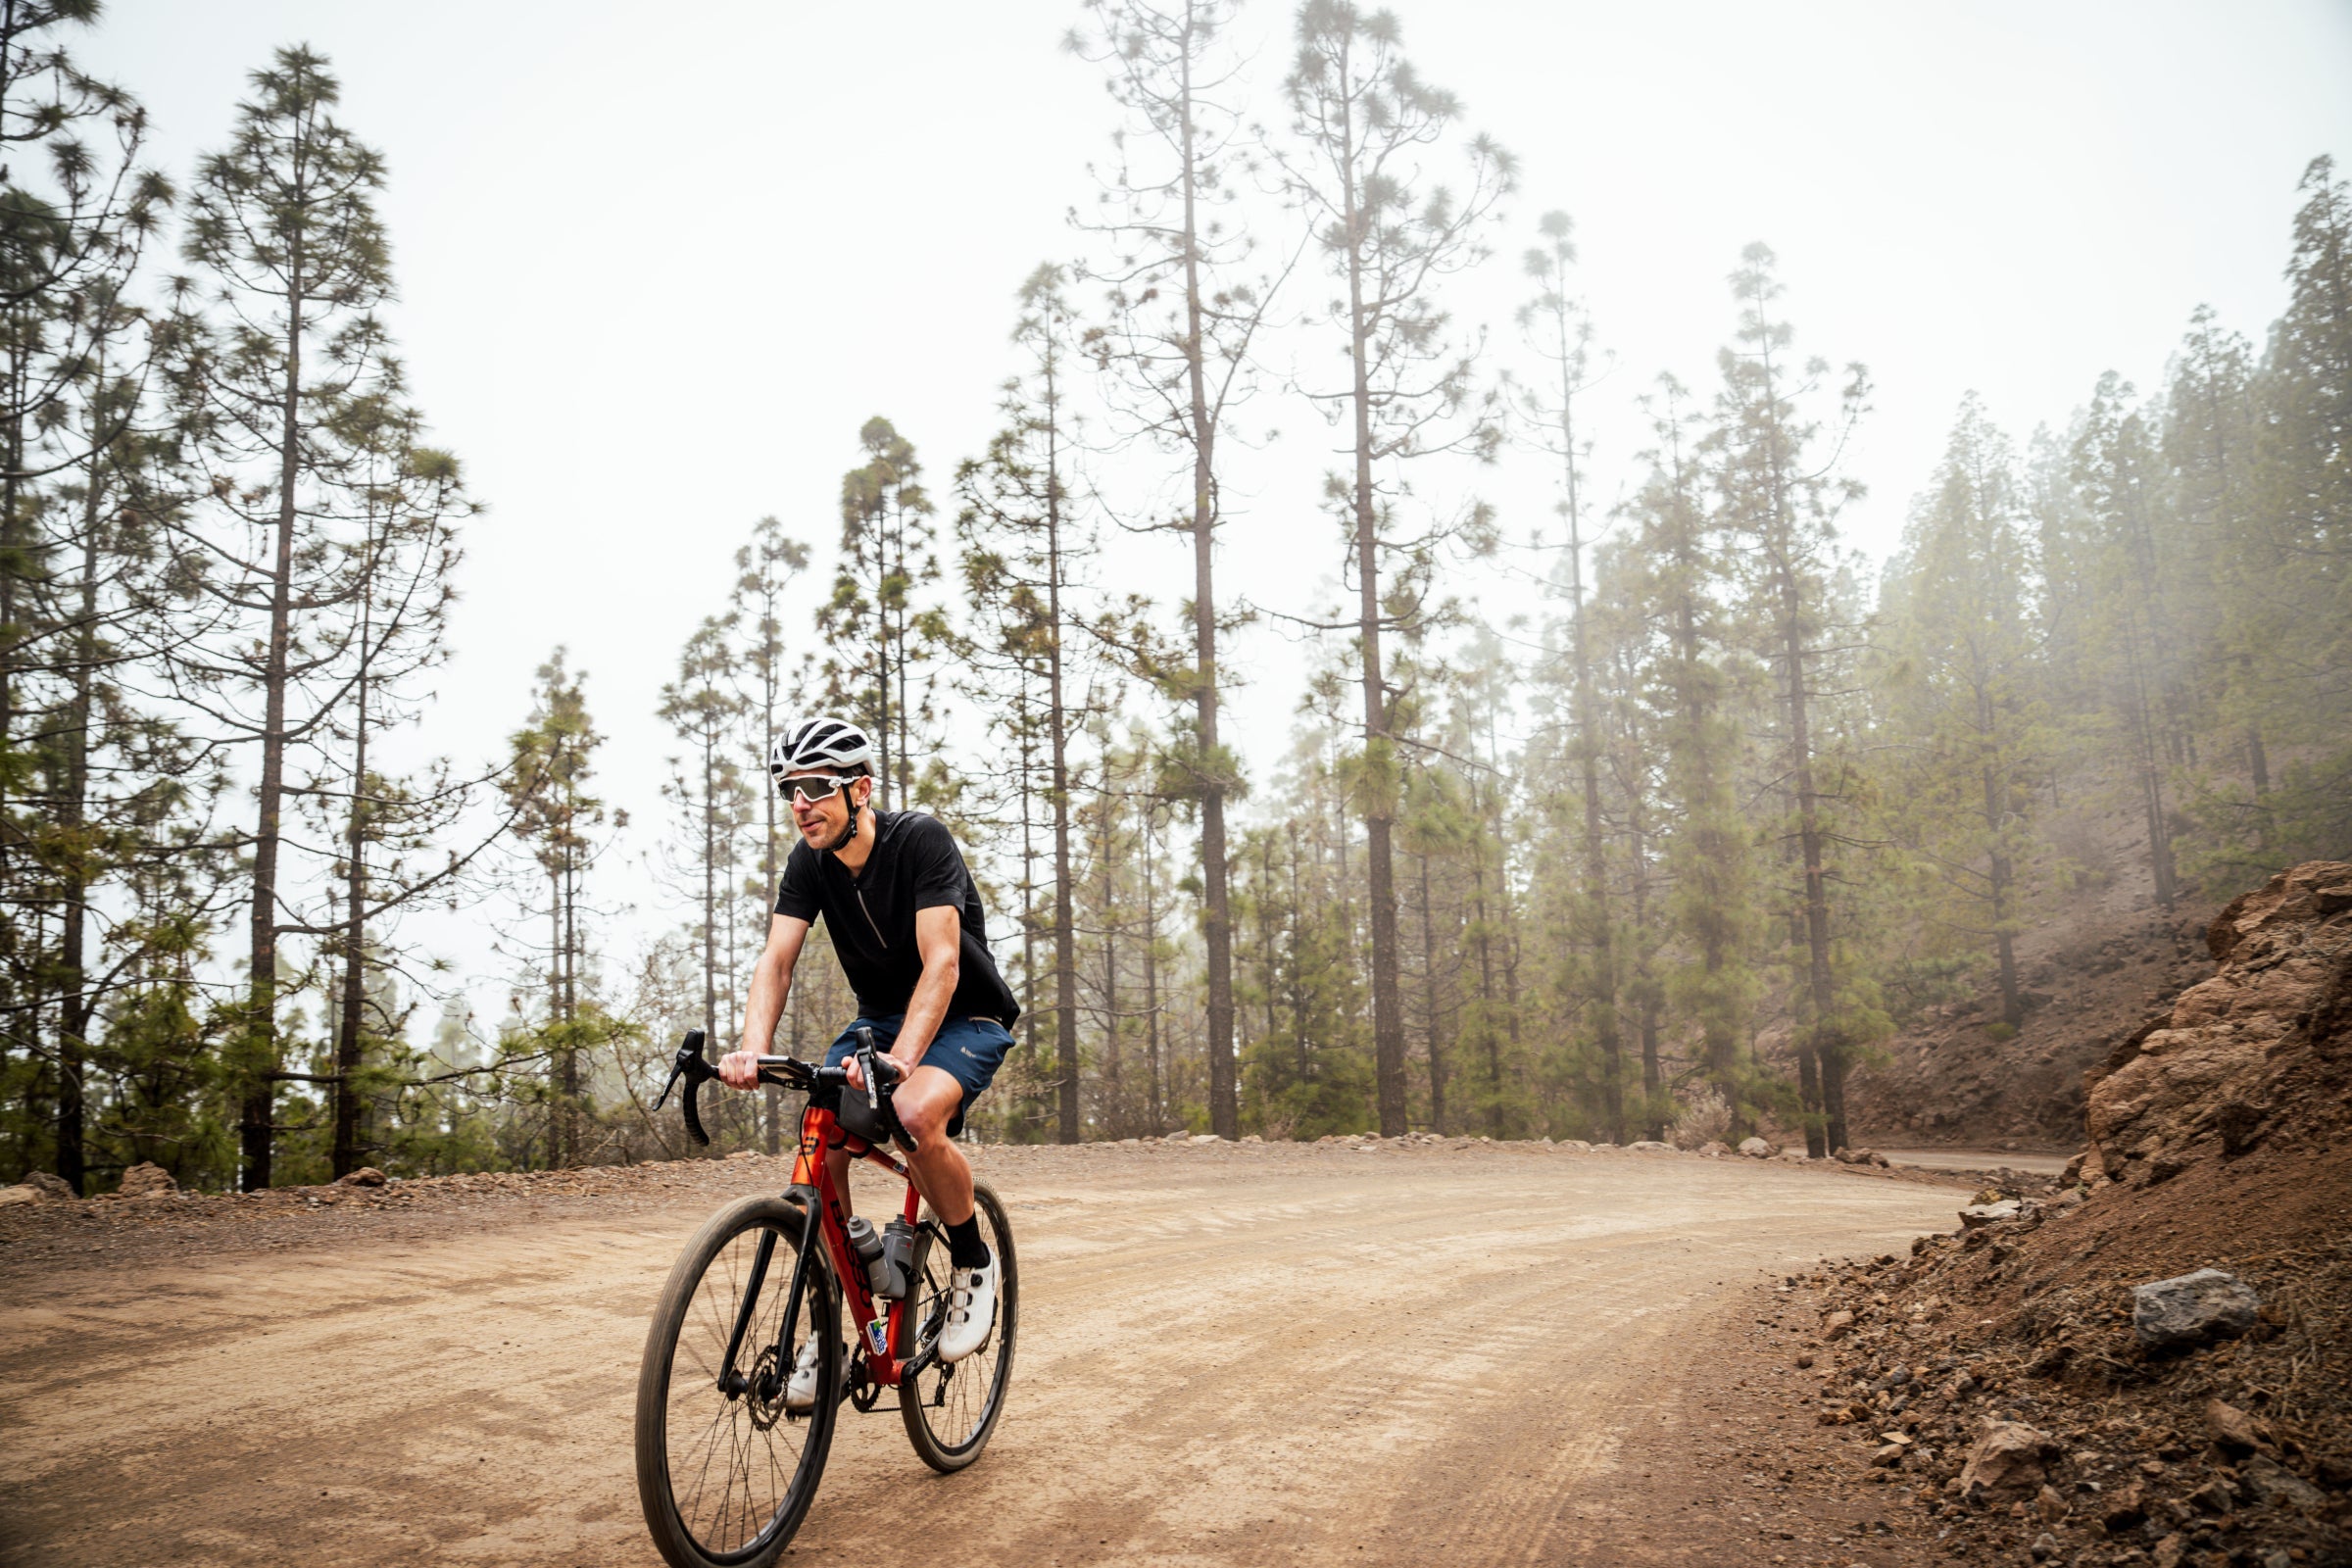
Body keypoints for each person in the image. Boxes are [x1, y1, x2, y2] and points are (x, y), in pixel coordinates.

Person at [716, 714, 1017, 1393]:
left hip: (964, 1015)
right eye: (789, 789)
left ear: (860, 789)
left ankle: (973, 1261)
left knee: (910, 1115)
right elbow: (777, 960)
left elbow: (941, 963)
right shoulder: (810, 865)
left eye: (816, 785)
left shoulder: (919, 841)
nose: (801, 803)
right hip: (878, 1023)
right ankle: (840, 1301)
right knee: (820, 1138)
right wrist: (753, 1052)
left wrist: (903, 1060)